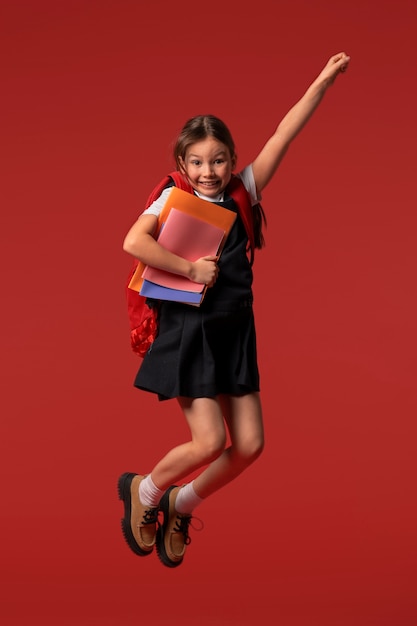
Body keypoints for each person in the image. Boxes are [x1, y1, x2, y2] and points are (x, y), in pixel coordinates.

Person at [118, 52, 351, 568]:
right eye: (197, 161)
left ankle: (181, 502)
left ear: (231, 158)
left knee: (248, 446)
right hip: (189, 331)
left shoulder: (244, 192)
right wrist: (188, 268)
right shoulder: (171, 200)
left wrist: (322, 81)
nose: (209, 171)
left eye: (219, 159)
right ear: (182, 165)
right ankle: (147, 491)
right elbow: (134, 242)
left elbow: (282, 136)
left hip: (234, 332)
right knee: (209, 441)